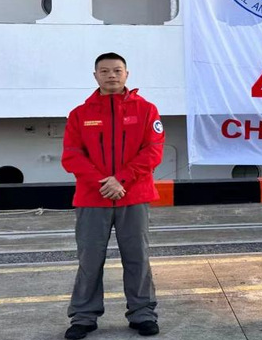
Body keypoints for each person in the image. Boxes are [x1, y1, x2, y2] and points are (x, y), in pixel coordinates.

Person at [62, 52, 164, 339]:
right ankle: (83, 317)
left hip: (134, 195)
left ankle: (143, 314)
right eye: (104, 71)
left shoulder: (146, 110)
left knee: (137, 258)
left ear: (126, 74)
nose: (111, 75)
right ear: (95, 75)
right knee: (89, 260)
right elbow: (71, 155)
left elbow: (153, 150)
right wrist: (103, 182)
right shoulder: (80, 114)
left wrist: (121, 179)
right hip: (92, 198)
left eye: (117, 70)